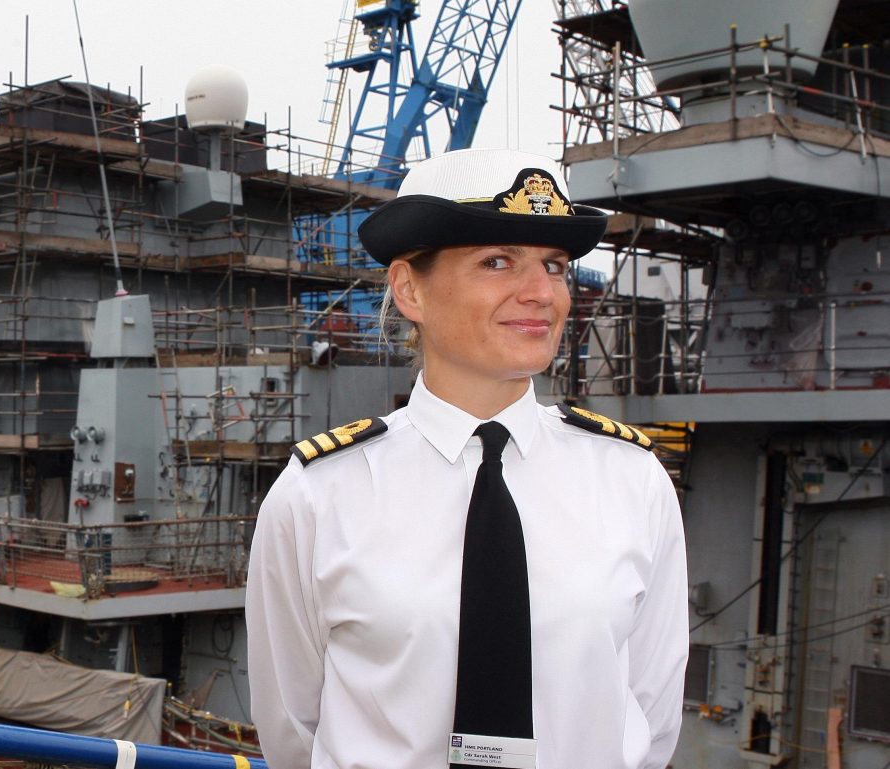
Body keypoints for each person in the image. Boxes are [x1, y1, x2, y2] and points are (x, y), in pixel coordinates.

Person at [245, 148, 688, 769]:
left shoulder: (631, 480)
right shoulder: (320, 493)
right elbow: (292, 728)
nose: (542, 294)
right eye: (497, 261)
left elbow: (652, 714)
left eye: (555, 265)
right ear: (408, 289)